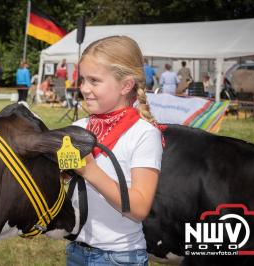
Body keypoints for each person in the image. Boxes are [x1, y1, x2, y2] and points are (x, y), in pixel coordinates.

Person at [66, 36, 163, 266]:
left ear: (126, 85)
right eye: (82, 80)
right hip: (77, 251)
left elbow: (139, 208)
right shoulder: (79, 129)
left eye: (94, 81)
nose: (84, 89)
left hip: (120, 257)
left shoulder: (144, 134)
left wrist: (90, 171)